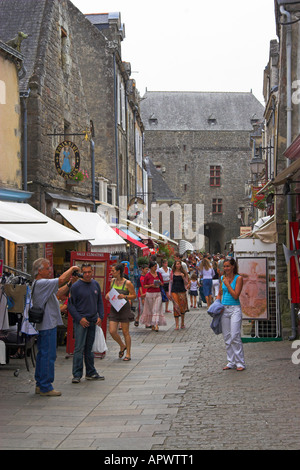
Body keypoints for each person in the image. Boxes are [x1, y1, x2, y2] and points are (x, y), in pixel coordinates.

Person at [32, 258, 80, 396]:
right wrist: (71, 269)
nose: (49, 271)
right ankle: (46, 386)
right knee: (48, 355)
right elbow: (60, 280)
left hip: (47, 324)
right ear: (39, 271)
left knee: (43, 354)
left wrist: (71, 283)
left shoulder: (41, 284)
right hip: (47, 324)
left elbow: (58, 293)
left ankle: (40, 384)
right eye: (47, 268)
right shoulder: (41, 283)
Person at [68, 263, 105, 383]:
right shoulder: (76, 287)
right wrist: (79, 319)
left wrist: (101, 315)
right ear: (81, 273)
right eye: (85, 272)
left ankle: (90, 372)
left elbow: (100, 301)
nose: (88, 275)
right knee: (79, 348)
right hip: (81, 322)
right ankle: (77, 374)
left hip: (93, 320)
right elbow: (71, 305)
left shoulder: (95, 284)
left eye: (89, 272)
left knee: (89, 348)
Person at [217, 258, 246, 372]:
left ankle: (240, 362)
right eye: (224, 266)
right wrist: (217, 304)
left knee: (235, 335)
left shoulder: (238, 278)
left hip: (235, 309)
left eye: (228, 266)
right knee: (227, 337)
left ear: (233, 267)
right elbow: (220, 293)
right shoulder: (222, 278)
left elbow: (235, 295)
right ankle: (231, 361)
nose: (226, 268)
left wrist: (227, 284)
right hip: (224, 308)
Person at [106, 263, 136, 361]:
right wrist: (108, 295)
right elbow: (111, 292)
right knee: (112, 331)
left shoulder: (127, 283)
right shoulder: (112, 281)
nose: (111, 272)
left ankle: (128, 353)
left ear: (118, 272)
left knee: (125, 332)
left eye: (113, 271)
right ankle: (122, 345)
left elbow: (134, 296)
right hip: (114, 308)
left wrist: (125, 296)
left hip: (124, 309)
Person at [140, 261, 166, 332]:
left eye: (156, 266)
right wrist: (151, 285)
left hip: (158, 293)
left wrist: (160, 283)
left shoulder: (159, 274)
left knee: (156, 309)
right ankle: (153, 324)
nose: (156, 268)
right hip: (150, 294)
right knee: (151, 309)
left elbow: (163, 283)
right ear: (151, 267)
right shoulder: (147, 275)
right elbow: (144, 286)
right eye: (155, 266)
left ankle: (156, 324)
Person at [169, 260, 189, 330]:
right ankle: (177, 324)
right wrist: (169, 293)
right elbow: (170, 283)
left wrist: (183, 277)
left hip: (182, 291)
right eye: (177, 264)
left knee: (182, 307)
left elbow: (186, 283)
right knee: (176, 307)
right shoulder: (172, 273)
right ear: (175, 265)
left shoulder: (184, 273)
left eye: (179, 264)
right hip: (174, 291)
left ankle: (182, 323)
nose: (178, 265)